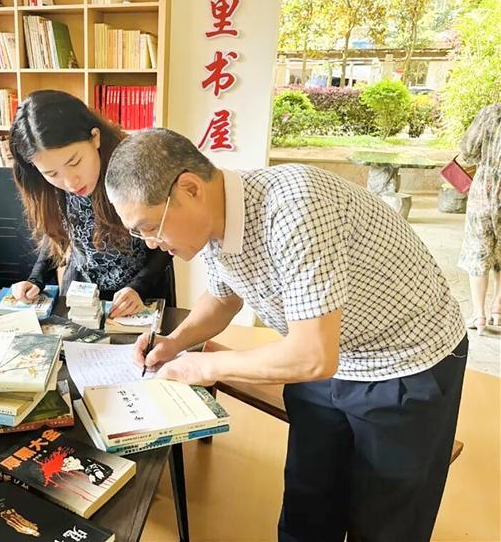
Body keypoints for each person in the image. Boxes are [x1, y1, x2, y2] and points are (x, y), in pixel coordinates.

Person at [104, 128, 467, 542]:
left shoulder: (297, 207)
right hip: (326, 357)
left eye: (151, 227)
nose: (151, 243)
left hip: (404, 361)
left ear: (190, 188)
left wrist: (205, 366)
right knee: (308, 502)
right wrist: (175, 342)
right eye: (140, 233)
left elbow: (313, 356)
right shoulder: (214, 221)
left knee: (386, 520)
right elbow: (222, 298)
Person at [8, 90, 173, 318]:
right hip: (83, 289)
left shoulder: (136, 165)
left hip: (143, 289)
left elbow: (168, 236)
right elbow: (57, 230)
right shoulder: (43, 183)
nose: (70, 182)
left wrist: (139, 287)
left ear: (95, 137)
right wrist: (36, 278)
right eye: (52, 173)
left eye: (75, 162)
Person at [457, 103, 501, 333]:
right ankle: (498, 309)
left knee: (478, 249)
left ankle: (479, 315)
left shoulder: (491, 112)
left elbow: (468, 151)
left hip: (485, 187)